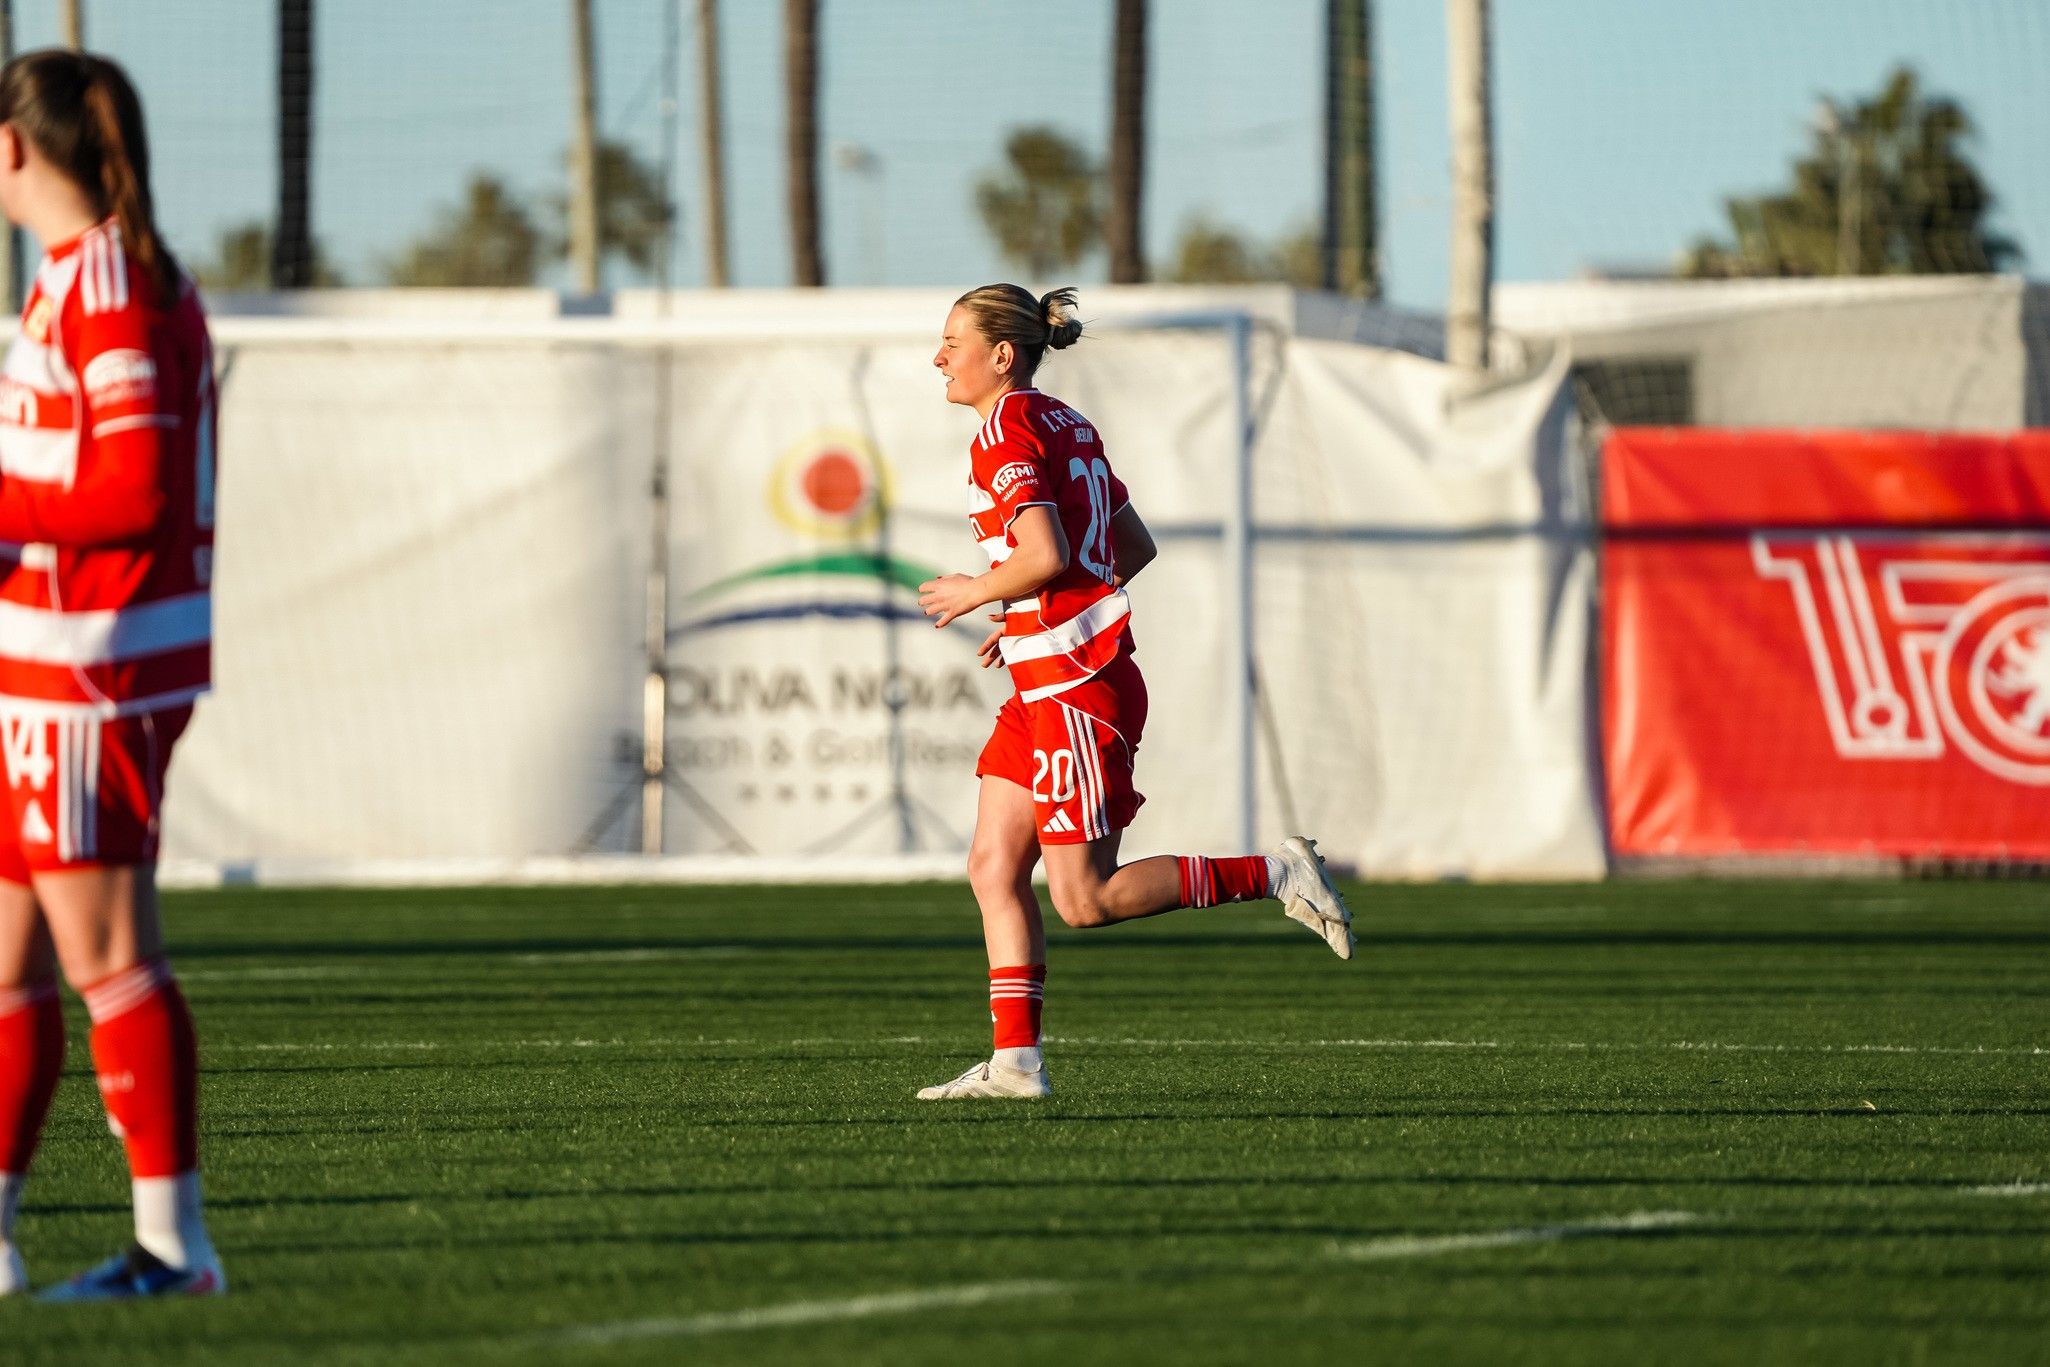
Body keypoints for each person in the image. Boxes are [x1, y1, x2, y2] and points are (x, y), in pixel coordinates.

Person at [915, 284, 1354, 1101]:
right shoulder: (1065, 422)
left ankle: (1276, 872)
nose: (938, 357)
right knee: (991, 865)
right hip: (1051, 677)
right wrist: (1029, 618)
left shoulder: (1005, 428)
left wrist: (984, 591)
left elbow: (1044, 552)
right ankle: (1016, 1065)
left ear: (1001, 355)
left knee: (1085, 897)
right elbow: (1132, 546)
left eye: (951, 341)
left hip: (1076, 689)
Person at [0, 50, 223, 1299]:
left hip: (92, 672)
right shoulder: (86, 278)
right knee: (13, 957)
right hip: (49, 664)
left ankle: (172, 1247)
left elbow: (132, 493)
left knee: (106, 955)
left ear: (14, 151)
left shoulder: (112, 285)